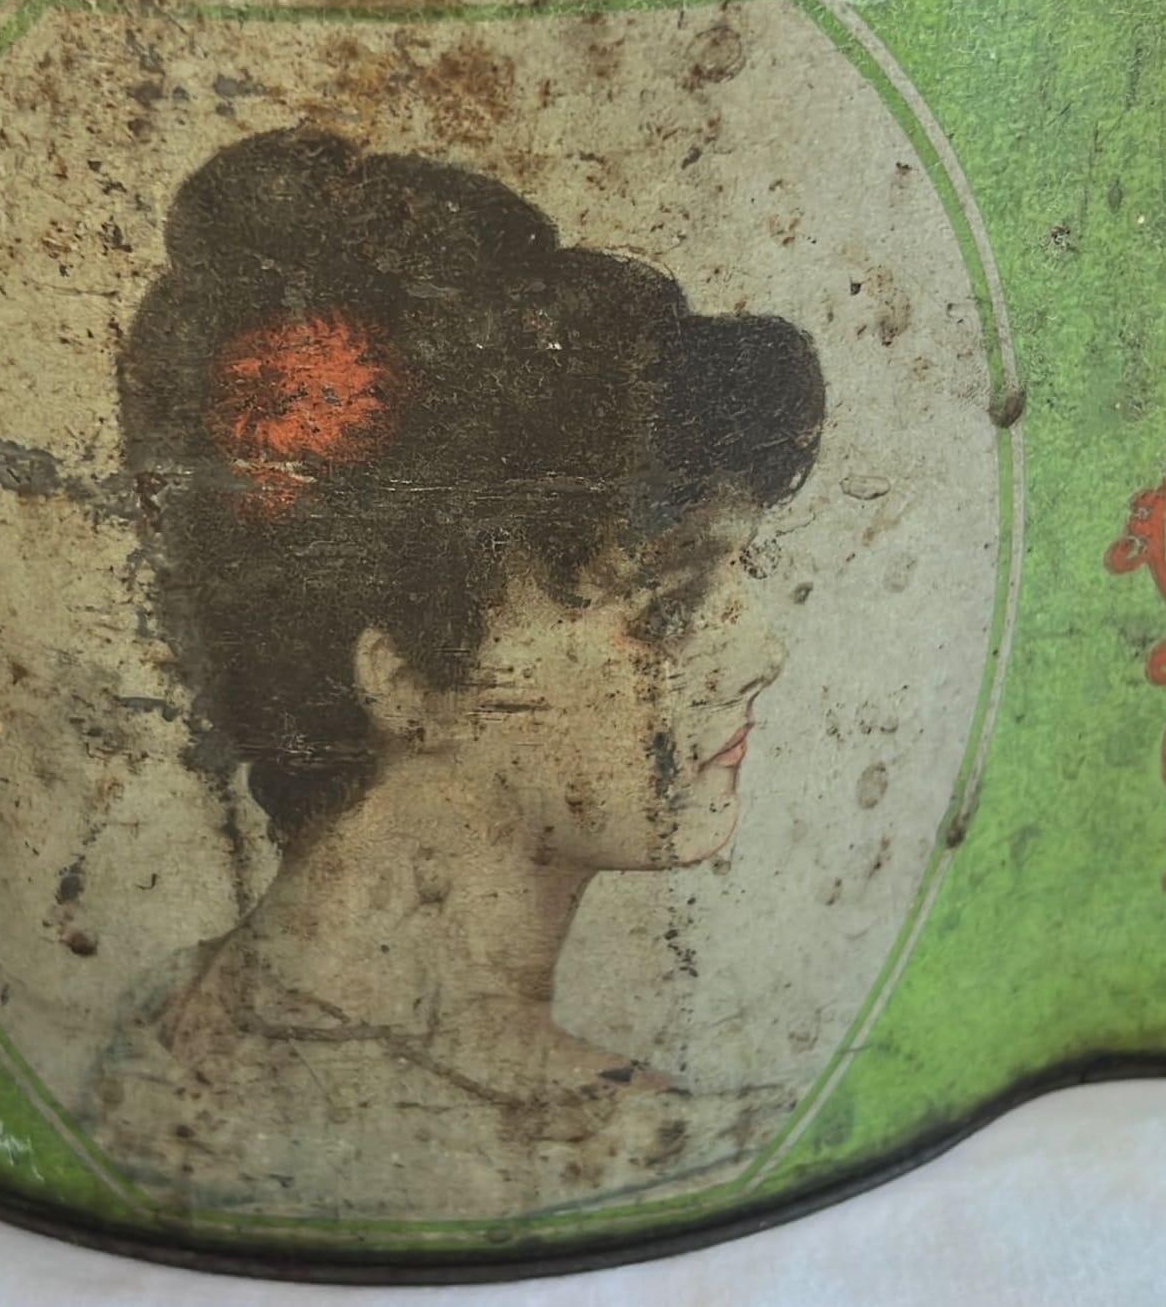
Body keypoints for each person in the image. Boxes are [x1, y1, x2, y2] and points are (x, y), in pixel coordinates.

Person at [94, 127, 828, 1216]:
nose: (760, 655)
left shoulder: (165, 1033)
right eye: (667, 602)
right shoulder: (640, 1160)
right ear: (401, 678)